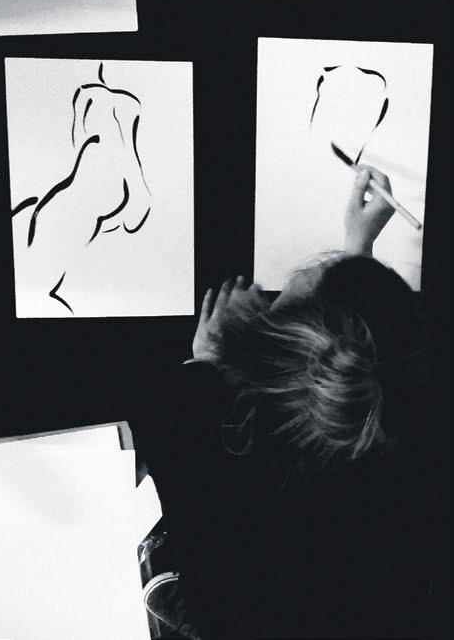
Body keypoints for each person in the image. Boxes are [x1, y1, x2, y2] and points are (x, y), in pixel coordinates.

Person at [138, 166, 435, 639]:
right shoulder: (412, 443)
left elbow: (170, 425)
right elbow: (356, 366)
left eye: (277, 301)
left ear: (259, 354)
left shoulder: (206, 466)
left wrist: (210, 356)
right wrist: (356, 252)